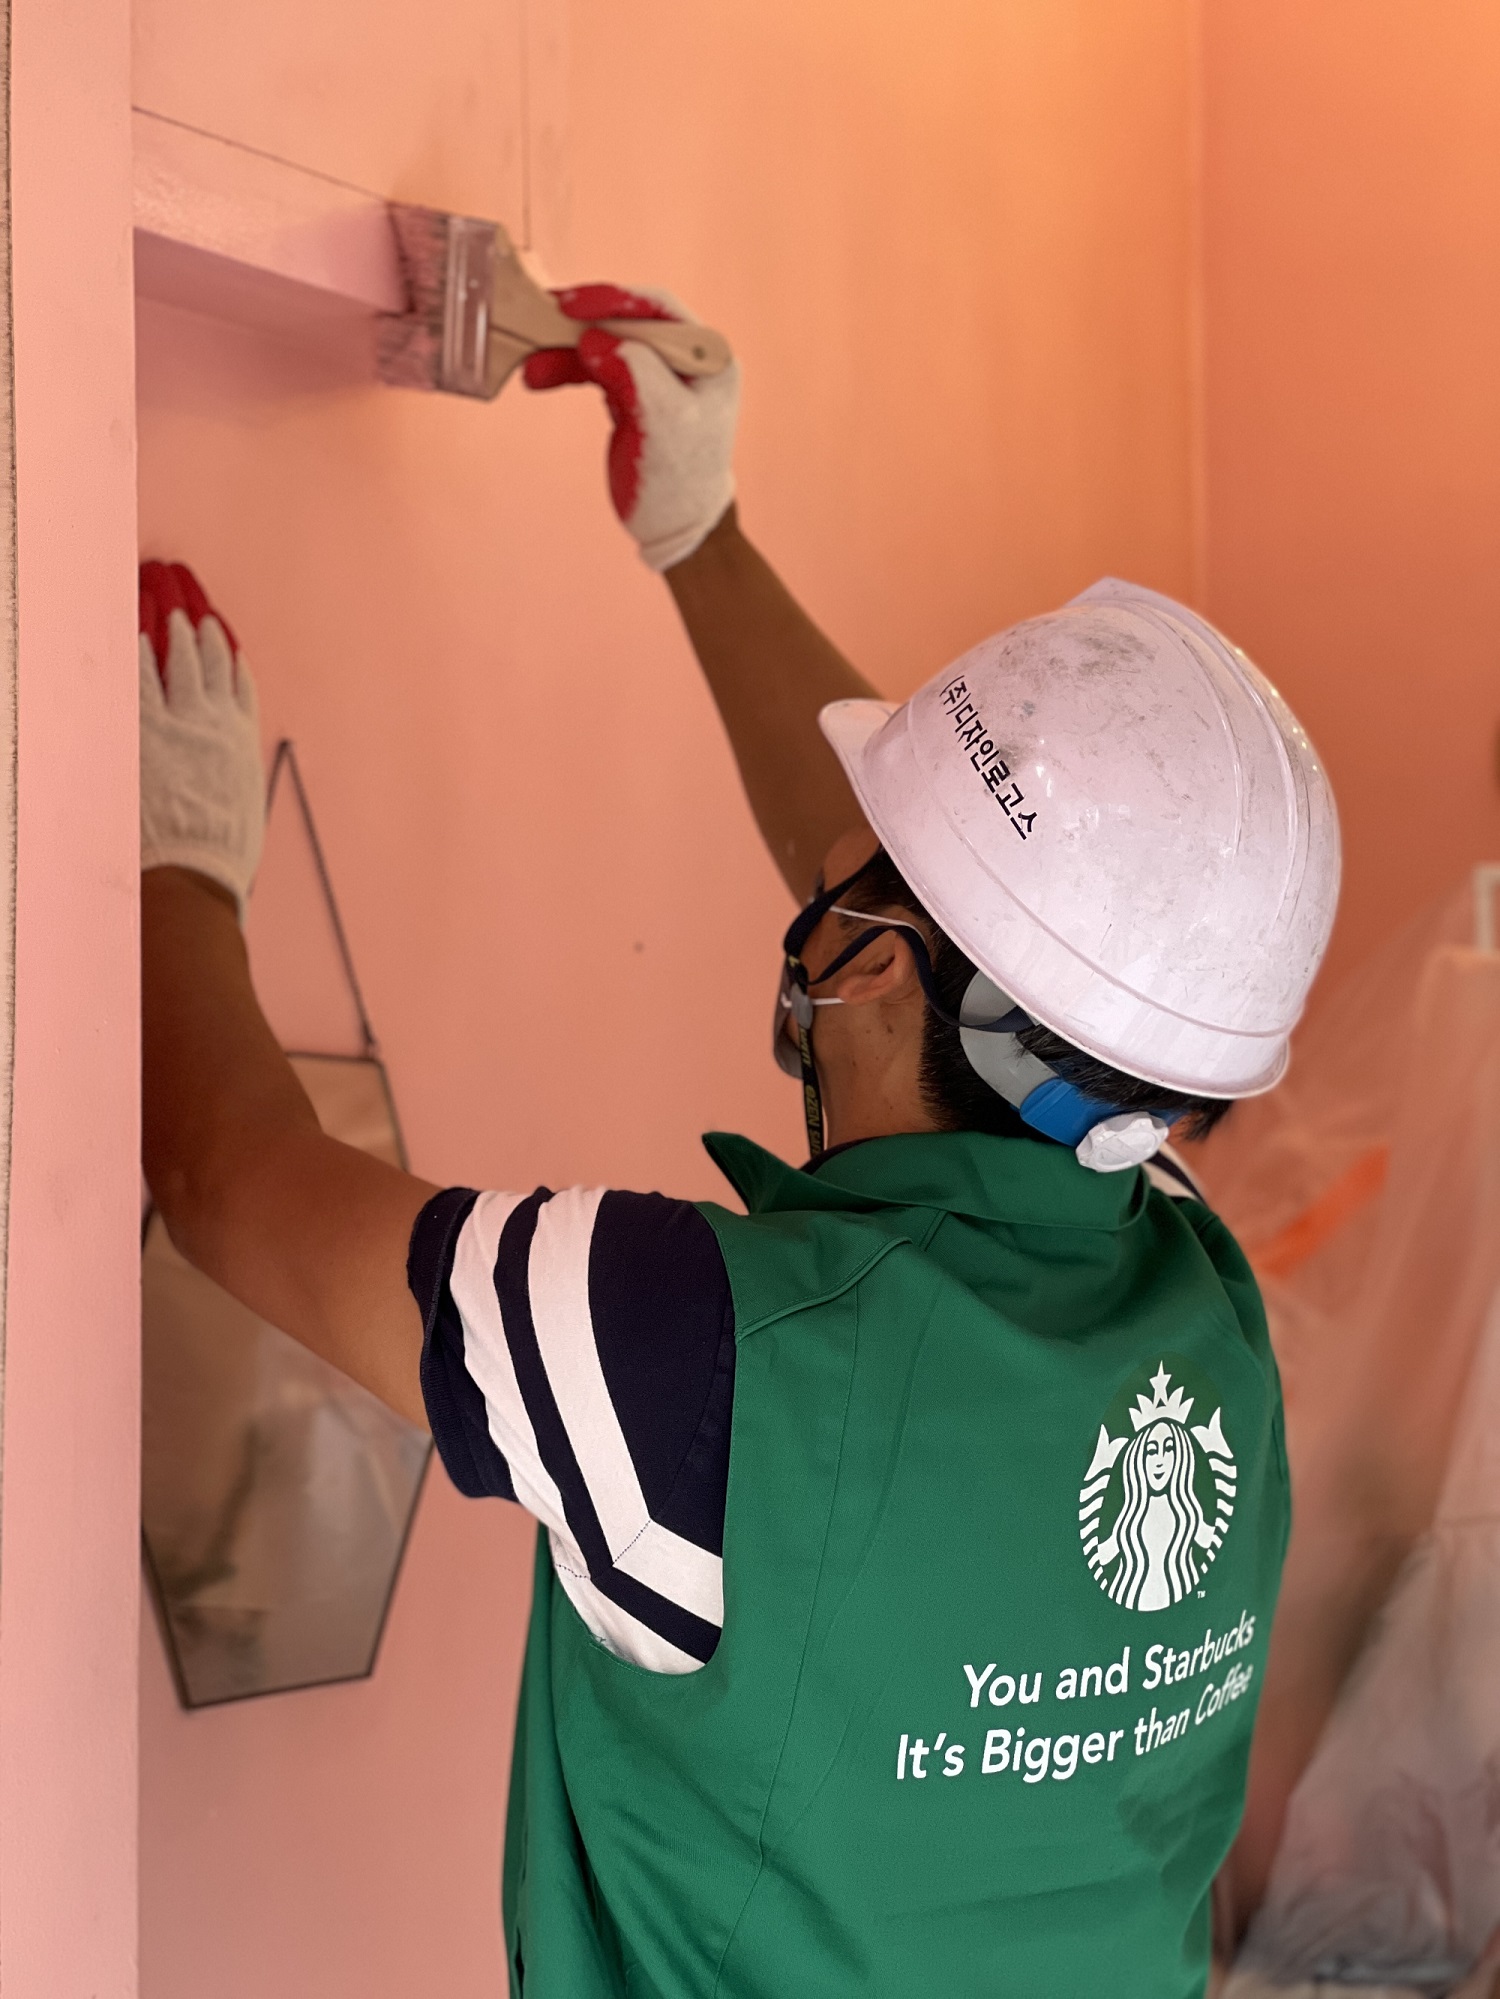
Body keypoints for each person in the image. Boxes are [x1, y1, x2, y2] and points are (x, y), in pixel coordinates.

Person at [140, 284, 1340, 1998]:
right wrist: (699, 535)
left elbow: (226, 1184)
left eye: (855, 889)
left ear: (874, 965)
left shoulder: (685, 1358)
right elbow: (983, 939)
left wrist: (174, 862)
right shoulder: (1194, 1294)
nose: (823, 875)